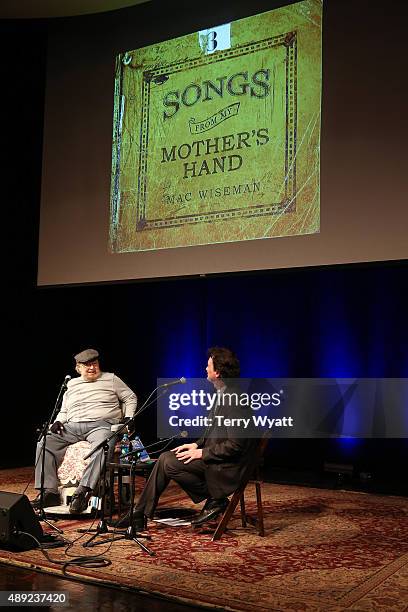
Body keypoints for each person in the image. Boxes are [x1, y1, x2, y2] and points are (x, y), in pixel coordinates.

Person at [131, 346, 254, 531]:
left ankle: (216, 499)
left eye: (209, 365)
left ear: (218, 372)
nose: (205, 368)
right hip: (216, 458)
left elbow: (236, 445)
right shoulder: (224, 393)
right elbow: (211, 433)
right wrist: (195, 445)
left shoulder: (234, 400)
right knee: (168, 458)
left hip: (228, 466)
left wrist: (201, 453)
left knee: (168, 461)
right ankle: (138, 514)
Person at [32, 348, 137, 513]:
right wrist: (58, 421)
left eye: (94, 364)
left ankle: (83, 491)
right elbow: (65, 410)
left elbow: (130, 397)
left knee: (103, 445)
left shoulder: (111, 379)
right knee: (45, 442)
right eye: (86, 365)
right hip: (73, 426)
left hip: (101, 425)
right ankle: (49, 492)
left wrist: (128, 418)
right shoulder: (72, 384)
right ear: (78, 368)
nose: (91, 368)